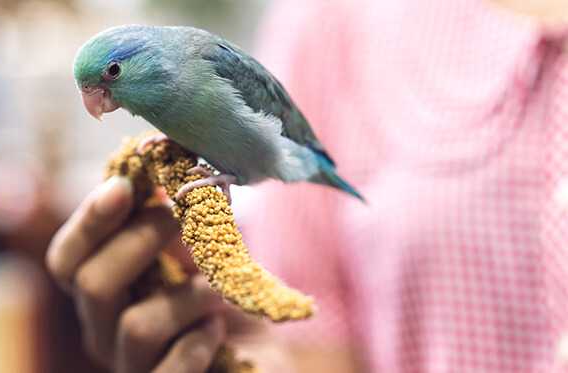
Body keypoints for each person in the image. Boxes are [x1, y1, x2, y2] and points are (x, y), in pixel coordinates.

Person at [47, 0, 568, 371]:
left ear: (145, 59)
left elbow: (277, 143)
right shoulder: (324, 21)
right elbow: (311, 333)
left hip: (291, 151)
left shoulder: (209, 67)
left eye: (112, 74)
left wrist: (228, 176)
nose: (102, 100)